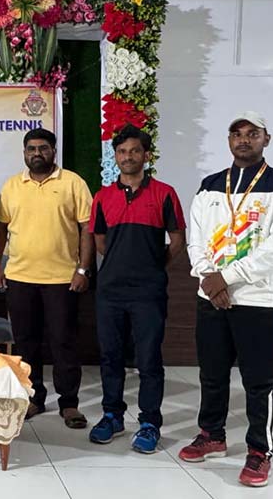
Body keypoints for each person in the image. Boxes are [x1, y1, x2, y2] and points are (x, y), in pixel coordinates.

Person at [181, 112, 273, 487]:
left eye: (253, 133)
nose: (243, 139)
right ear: (228, 140)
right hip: (211, 298)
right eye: (237, 133)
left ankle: (259, 450)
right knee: (212, 373)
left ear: (267, 139)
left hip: (258, 299)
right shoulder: (210, 185)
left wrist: (225, 278)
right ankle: (212, 435)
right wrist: (208, 278)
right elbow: (195, 240)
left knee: (259, 379)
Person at [87, 125, 187, 453]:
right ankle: (112, 415)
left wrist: (152, 266)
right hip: (110, 291)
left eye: (133, 151)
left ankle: (149, 422)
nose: (127, 157)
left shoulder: (165, 193)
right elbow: (100, 241)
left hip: (148, 292)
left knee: (148, 360)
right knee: (110, 356)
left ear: (146, 155)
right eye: (121, 152)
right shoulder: (103, 197)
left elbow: (177, 241)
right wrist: (120, 264)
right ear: (114, 157)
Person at [0, 128, 93, 426]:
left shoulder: (73, 183)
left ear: (54, 151)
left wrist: (83, 269)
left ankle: (69, 403)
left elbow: (88, 228)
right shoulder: (12, 186)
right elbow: (0, 228)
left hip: (62, 279)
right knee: (25, 342)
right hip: (20, 277)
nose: (37, 153)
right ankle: (33, 397)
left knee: (63, 341)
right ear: (24, 153)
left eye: (43, 148)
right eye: (31, 149)